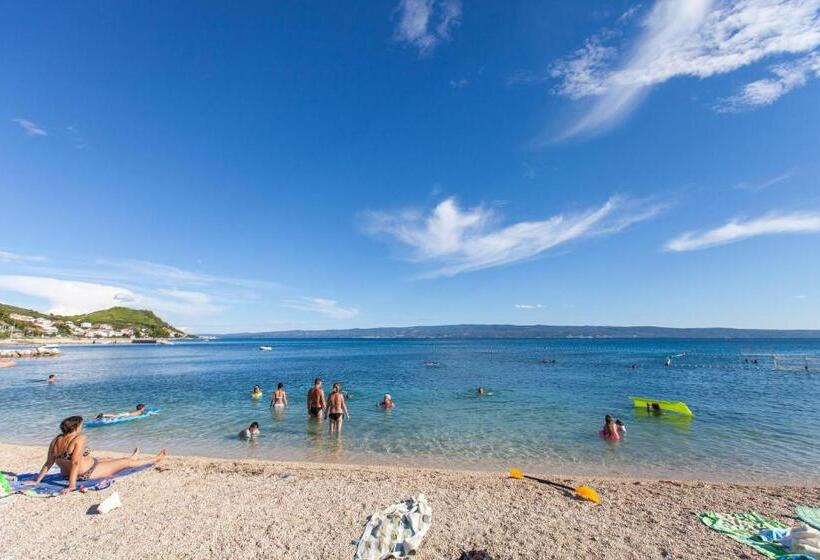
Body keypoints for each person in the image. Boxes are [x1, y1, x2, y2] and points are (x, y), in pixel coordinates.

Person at [29, 416, 166, 495]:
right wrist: (72, 486)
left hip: (68, 472)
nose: (82, 428)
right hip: (86, 473)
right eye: (81, 425)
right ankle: (155, 458)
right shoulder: (79, 438)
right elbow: (75, 463)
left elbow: (48, 463)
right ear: (76, 427)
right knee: (125, 463)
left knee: (106, 459)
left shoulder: (56, 440)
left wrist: (37, 481)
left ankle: (133, 456)